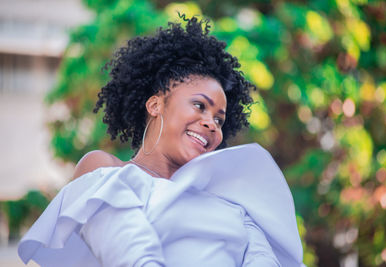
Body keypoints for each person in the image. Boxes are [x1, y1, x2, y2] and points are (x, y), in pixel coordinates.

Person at [18, 16, 304, 266]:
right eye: (199, 106)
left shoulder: (231, 202)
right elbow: (128, 251)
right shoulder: (107, 170)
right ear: (155, 105)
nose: (210, 123)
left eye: (219, 119)